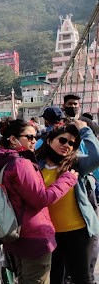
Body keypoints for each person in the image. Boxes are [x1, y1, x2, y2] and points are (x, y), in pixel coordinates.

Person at [0, 118, 78, 283]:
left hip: (14, 235)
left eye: (36, 136)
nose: (35, 141)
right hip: (35, 238)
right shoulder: (21, 164)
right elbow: (41, 199)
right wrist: (68, 179)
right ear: (13, 139)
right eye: (30, 137)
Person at [35, 120, 99, 284]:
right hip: (49, 234)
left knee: (82, 279)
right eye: (62, 140)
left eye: (72, 143)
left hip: (78, 232)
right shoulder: (35, 165)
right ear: (49, 140)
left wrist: (85, 130)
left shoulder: (75, 165)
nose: (67, 145)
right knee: (56, 278)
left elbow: (97, 156)